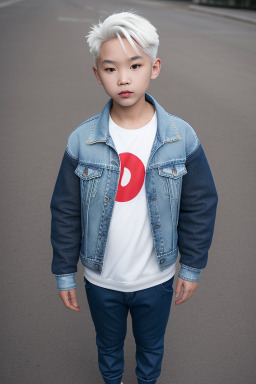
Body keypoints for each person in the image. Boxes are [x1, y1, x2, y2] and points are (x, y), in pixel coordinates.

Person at [50, 11, 218, 384]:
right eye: (111, 69)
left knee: (151, 347)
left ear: (154, 67)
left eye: (135, 65)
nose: (123, 78)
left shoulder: (180, 137)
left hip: (156, 278)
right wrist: (64, 273)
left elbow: (201, 204)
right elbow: (65, 210)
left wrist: (191, 266)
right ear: (98, 74)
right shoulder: (82, 140)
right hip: (100, 278)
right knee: (108, 348)